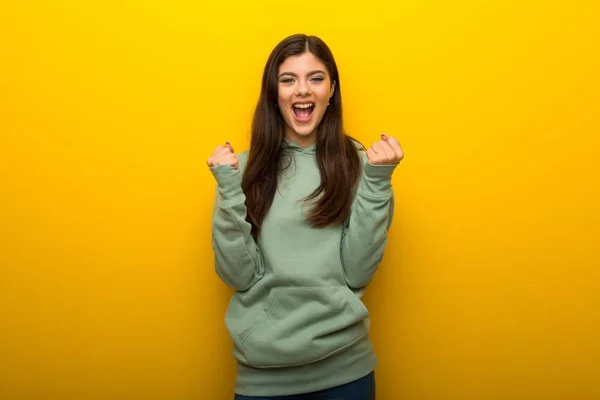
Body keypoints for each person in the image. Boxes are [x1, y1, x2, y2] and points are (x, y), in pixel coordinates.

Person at [206, 33, 403, 400]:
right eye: (288, 79)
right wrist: (228, 189)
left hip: (346, 373)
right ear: (274, 93)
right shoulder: (242, 170)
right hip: (263, 377)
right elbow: (238, 274)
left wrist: (377, 182)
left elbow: (358, 270)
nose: (303, 90)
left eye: (315, 78)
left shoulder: (361, 165)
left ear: (332, 90)